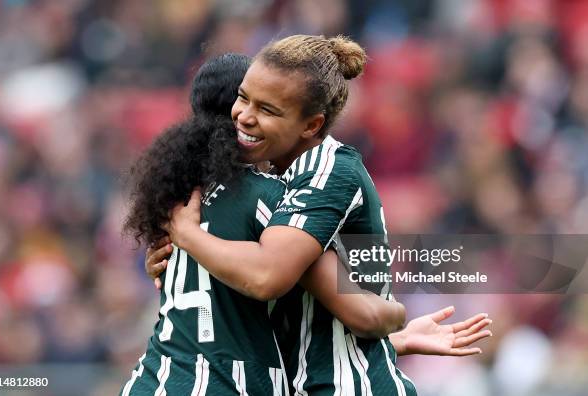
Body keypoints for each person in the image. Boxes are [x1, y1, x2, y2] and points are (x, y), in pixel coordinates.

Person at [159, 35, 491, 395]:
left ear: (312, 125)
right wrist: (395, 335)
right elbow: (319, 325)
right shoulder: (275, 183)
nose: (244, 116)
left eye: (268, 109)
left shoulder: (328, 171)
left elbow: (269, 274)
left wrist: (188, 236)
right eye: (243, 97)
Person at [120, 53, 408, 396]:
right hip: (224, 386)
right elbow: (360, 311)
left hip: (152, 379)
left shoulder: (179, 198)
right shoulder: (273, 202)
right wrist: (398, 316)